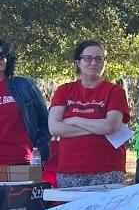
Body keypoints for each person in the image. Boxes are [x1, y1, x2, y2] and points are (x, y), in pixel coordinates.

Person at [47, 40, 130, 187]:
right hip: (69, 171)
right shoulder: (64, 91)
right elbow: (54, 128)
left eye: (99, 59)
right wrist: (97, 128)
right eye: (88, 58)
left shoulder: (115, 91)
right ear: (78, 62)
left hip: (108, 170)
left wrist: (74, 119)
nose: (94, 63)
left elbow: (110, 126)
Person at [0, 38, 51, 167]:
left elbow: (46, 121)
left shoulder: (24, 85)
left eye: (2, 55)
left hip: (22, 162)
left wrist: (39, 148)